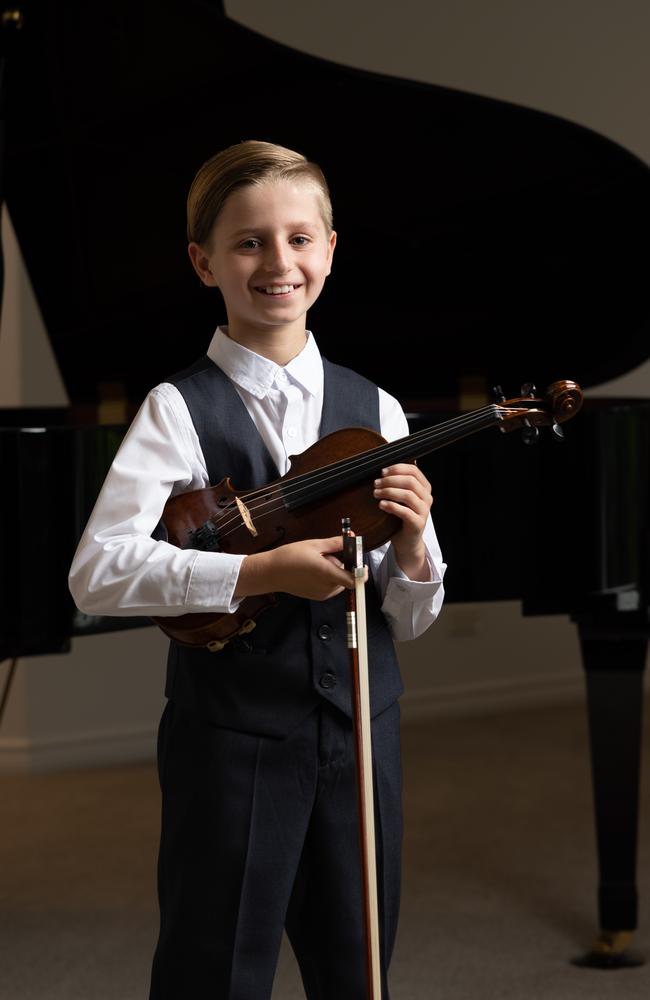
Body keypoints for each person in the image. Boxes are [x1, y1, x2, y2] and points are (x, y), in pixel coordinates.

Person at [68, 139, 446, 999]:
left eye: (299, 238)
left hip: (358, 733)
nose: (279, 261)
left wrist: (417, 547)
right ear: (204, 263)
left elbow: (412, 615)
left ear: (330, 251)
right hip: (232, 741)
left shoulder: (376, 405)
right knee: (218, 964)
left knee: (360, 962)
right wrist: (259, 571)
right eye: (249, 242)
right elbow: (97, 572)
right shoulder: (176, 408)